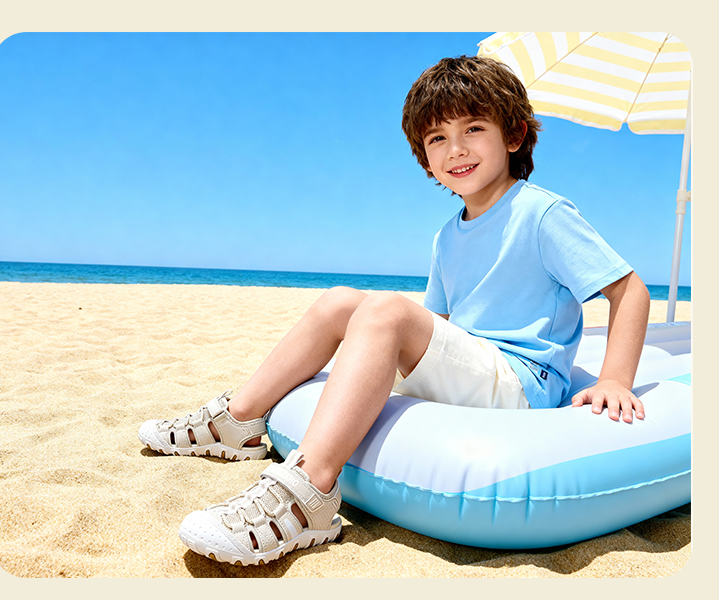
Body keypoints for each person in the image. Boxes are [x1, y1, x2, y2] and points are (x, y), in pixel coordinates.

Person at [137, 55, 650, 565]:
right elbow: (443, 327)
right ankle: (239, 419)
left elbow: (628, 290)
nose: (456, 149)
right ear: (425, 158)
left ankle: (309, 494)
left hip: (522, 382)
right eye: (437, 139)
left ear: (513, 136)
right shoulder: (449, 235)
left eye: (473, 128)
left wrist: (615, 380)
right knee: (342, 301)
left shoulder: (541, 213)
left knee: (385, 310)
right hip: (474, 368)